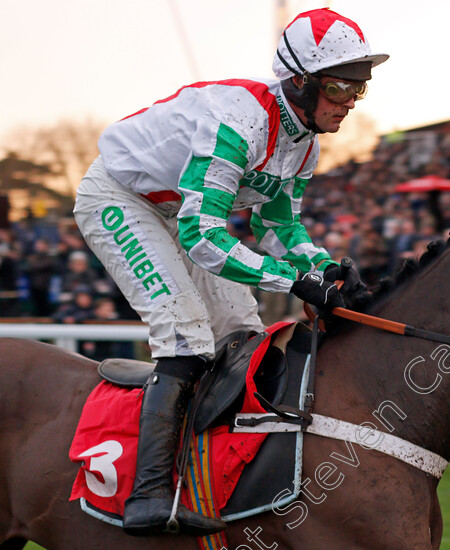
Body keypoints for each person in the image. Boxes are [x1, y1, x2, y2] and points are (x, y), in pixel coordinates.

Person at [73, 8, 386, 536]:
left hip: (181, 211)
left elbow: (278, 224)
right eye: (339, 88)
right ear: (301, 82)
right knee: (186, 333)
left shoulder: (304, 140)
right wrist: (293, 281)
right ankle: (147, 494)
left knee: (244, 332)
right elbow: (202, 236)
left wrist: (323, 268)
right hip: (121, 199)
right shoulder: (237, 123)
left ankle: (216, 475)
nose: (349, 102)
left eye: (360, 88)